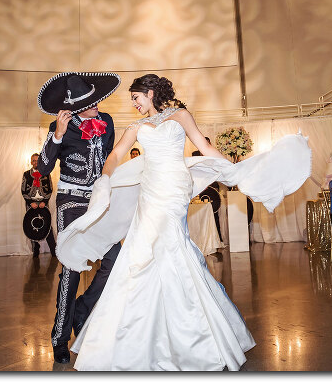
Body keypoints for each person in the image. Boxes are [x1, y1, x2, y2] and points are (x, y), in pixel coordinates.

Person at [58, 74, 311, 370]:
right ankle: (139, 337)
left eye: (136, 98)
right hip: (150, 190)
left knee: (170, 246)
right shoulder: (136, 127)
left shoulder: (180, 115)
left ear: (150, 93)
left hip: (175, 189)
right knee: (142, 252)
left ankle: (190, 336)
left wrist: (235, 171)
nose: (134, 104)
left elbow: (204, 147)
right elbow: (115, 155)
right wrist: (105, 177)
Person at [35, 72, 121, 364]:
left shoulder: (107, 121)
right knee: (71, 269)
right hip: (70, 203)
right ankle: (60, 337)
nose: (98, 106)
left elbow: (110, 157)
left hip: (98, 202)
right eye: (91, 103)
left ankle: (82, 309)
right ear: (72, 106)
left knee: (115, 259)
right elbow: (43, 169)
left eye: (97, 101)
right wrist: (57, 135)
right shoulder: (58, 126)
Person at [21, 153, 55, 257]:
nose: (36, 162)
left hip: (43, 204)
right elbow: (23, 191)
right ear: (31, 162)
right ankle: (35, 249)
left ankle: (53, 250)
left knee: (47, 225)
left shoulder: (46, 173)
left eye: (37, 160)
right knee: (32, 226)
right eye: (34, 160)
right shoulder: (26, 174)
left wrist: (45, 201)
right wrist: (30, 203)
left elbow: (50, 188)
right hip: (31, 204)